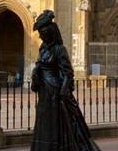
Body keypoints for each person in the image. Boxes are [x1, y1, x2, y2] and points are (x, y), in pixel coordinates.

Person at [27, 10, 101, 151]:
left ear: (50, 34)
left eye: (44, 34)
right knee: (45, 121)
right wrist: (36, 73)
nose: (42, 37)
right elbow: (39, 64)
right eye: (41, 35)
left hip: (55, 90)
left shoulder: (59, 50)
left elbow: (68, 73)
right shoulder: (43, 49)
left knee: (59, 122)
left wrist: (63, 91)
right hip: (44, 90)